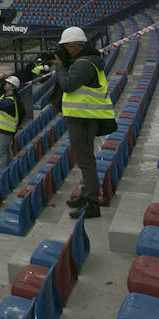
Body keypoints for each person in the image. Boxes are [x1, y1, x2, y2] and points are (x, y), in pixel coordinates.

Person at [53, 26, 114, 220]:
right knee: (84, 159)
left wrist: (60, 66)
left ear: (73, 46)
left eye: (65, 46)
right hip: (83, 116)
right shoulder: (87, 60)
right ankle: (87, 195)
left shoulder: (84, 64)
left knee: (85, 161)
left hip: (84, 118)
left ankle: (92, 203)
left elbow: (68, 84)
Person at [0, 74, 23, 176]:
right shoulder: (5, 96)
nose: (6, 84)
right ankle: (10, 174)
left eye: (9, 83)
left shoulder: (10, 101)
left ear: (13, 87)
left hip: (4, 131)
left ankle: (1, 178)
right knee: (7, 152)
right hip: (4, 131)